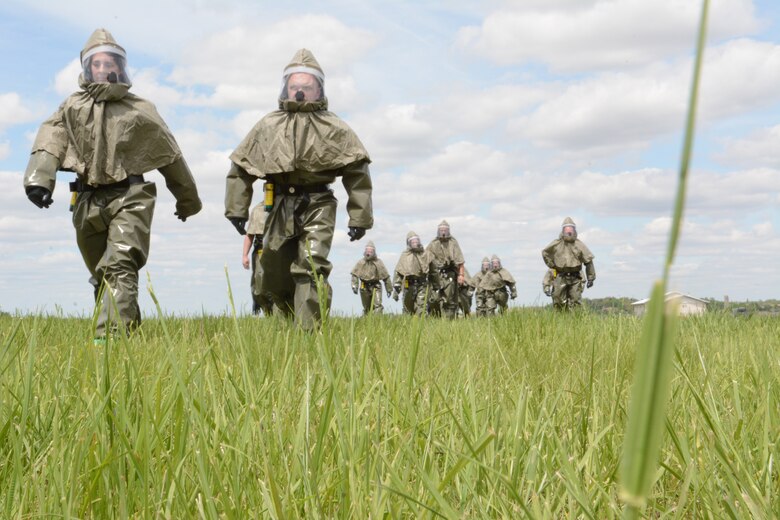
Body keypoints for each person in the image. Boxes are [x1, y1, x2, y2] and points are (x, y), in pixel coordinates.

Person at [23, 29, 201, 341]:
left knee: (120, 264)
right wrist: (39, 180)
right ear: (87, 68)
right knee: (102, 273)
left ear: (121, 66)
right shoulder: (71, 107)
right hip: (88, 199)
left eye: (111, 62)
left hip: (131, 195)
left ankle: (111, 343)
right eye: (98, 63)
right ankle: (128, 332)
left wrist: (187, 201)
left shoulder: (140, 109)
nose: (105, 69)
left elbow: (169, 153)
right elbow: (50, 140)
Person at [224, 49, 373, 329]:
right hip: (278, 201)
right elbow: (241, 168)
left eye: (307, 86)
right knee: (274, 271)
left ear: (319, 89)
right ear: (285, 88)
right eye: (295, 86)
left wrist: (360, 217)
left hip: (318, 201)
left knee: (312, 264)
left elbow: (357, 172)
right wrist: (236, 209)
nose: (301, 92)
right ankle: (290, 321)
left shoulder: (335, 126)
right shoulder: (269, 124)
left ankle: (309, 332)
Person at [542, 217, 596, 310]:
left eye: (571, 229)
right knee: (558, 299)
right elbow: (545, 253)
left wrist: (590, 278)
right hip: (560, 275)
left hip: (575, 277)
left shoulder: (579, 245)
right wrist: (552, 265)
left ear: (574, 231)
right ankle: (561, 319)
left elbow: (588, 261)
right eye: (567, 230)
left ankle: (576, 321)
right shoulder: (556, 244)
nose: (569, 232)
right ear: (563, 231)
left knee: (575, 300)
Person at [425, 220, 465, 319]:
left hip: (449, 274)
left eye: (445, 230)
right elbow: (425, 260)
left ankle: (449, 321)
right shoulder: (433, 244)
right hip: (436, 275)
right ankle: (435, 319)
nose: (443, 232)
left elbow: (460, 261)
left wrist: (461, 275)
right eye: (441, 230)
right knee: (434, 299)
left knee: (449, 299)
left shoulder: (453, 242)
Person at [243, 203, 274, 316]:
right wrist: (244, 255)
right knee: (259, 287)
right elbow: (250, 234)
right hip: (261, 251)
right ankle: (265, 312)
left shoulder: (287, 205)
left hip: (281, 250)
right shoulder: (258, 210)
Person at [392, 231, 431, 316]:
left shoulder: (425, 254)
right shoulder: (405, 255)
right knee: (408, 309)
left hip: (422, 284)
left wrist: (436, 285)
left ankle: (422, 326)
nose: (415, 243)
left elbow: (433, 271)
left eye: (417, 241)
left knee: (422, 307)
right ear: (408, 243)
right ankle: (409, 327)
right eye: (413, 242)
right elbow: (399, 271)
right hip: (408, 285)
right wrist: (396, 287)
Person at [350, 241, 391, 315]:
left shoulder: (378, 262)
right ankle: (366, 322)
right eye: (367, 251)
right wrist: (354, 286)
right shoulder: (361, 262)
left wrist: (389, 289)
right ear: (365, 251)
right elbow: (354, 275)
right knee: (366, 307)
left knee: (377, 305)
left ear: (374, 252)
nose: (368, 253)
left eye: (371, 251)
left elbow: (385, 276)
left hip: (376, 286)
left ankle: (376, 321)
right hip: (364, 286)